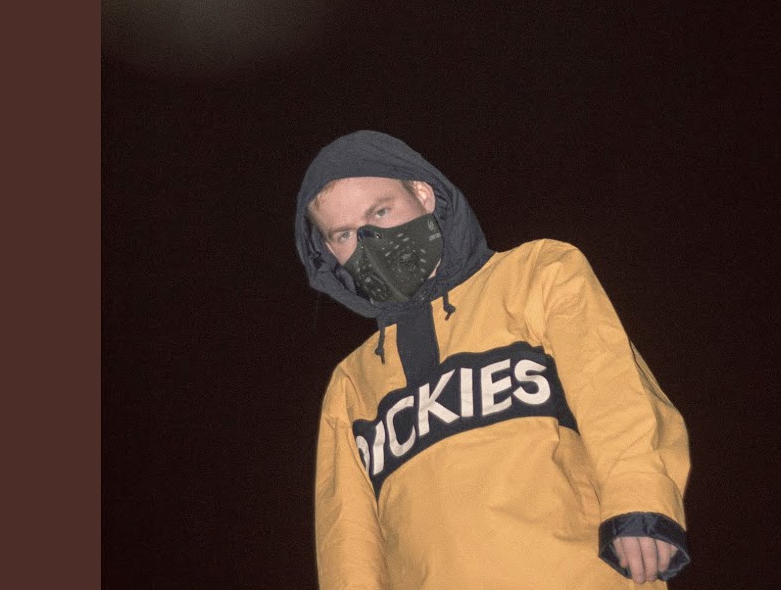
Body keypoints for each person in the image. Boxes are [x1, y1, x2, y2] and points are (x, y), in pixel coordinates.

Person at [295, 130, 691, 589]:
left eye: (380, 212)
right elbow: (346, 533)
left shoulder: (537, 274)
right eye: (344, 235)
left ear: (422, 194)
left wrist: (638, 500)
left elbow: (612, 391)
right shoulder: (352, 382)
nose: (370, 242)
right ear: (329, 252)